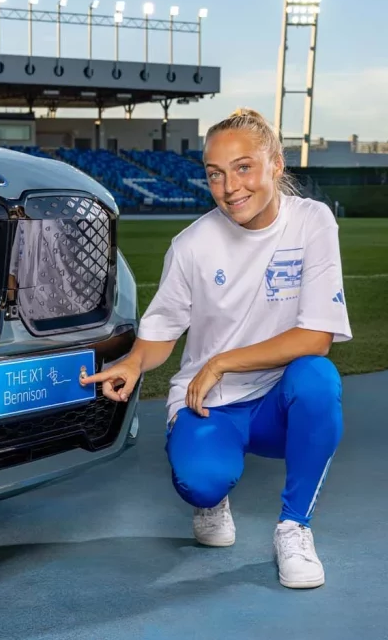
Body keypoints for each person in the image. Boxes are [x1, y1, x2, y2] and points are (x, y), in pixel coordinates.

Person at [81, 107, 352, 589]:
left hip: (277, 403)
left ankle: (294, 527)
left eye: (244, 167)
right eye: (215, 174)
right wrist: (134, 363)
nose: (230, 188)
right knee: (201, 482)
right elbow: (162, 329)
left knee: (316, 379)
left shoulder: (313, 221)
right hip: (210, 404)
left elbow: (316, 337)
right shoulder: (191, 245)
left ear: (275, 165)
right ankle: (213, 500)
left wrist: (223, 361)